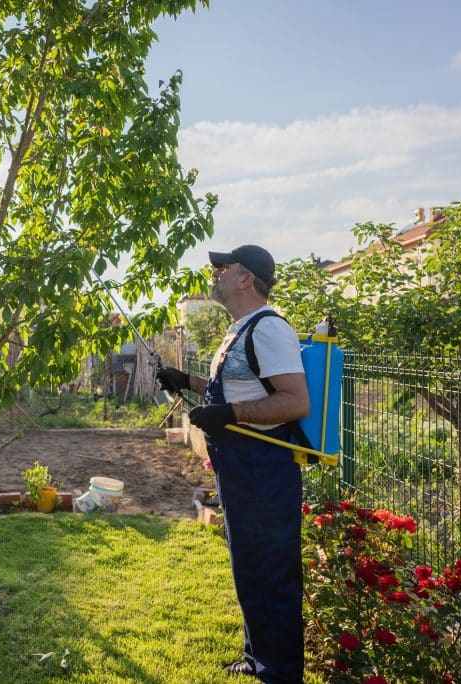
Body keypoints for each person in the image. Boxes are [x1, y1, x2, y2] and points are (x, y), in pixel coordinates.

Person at [157, 244, 309, 683]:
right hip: (240, 465)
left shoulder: (269, 329)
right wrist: (187, 381)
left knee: (270, 572)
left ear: (246, 279)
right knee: (249, 565)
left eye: (224, 269)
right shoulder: (242, 328)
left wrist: (231, 416)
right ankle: (258, 656)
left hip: (264, 466)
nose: (216, 275)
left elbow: (294, 401)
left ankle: (278, 673)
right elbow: (243, 389)